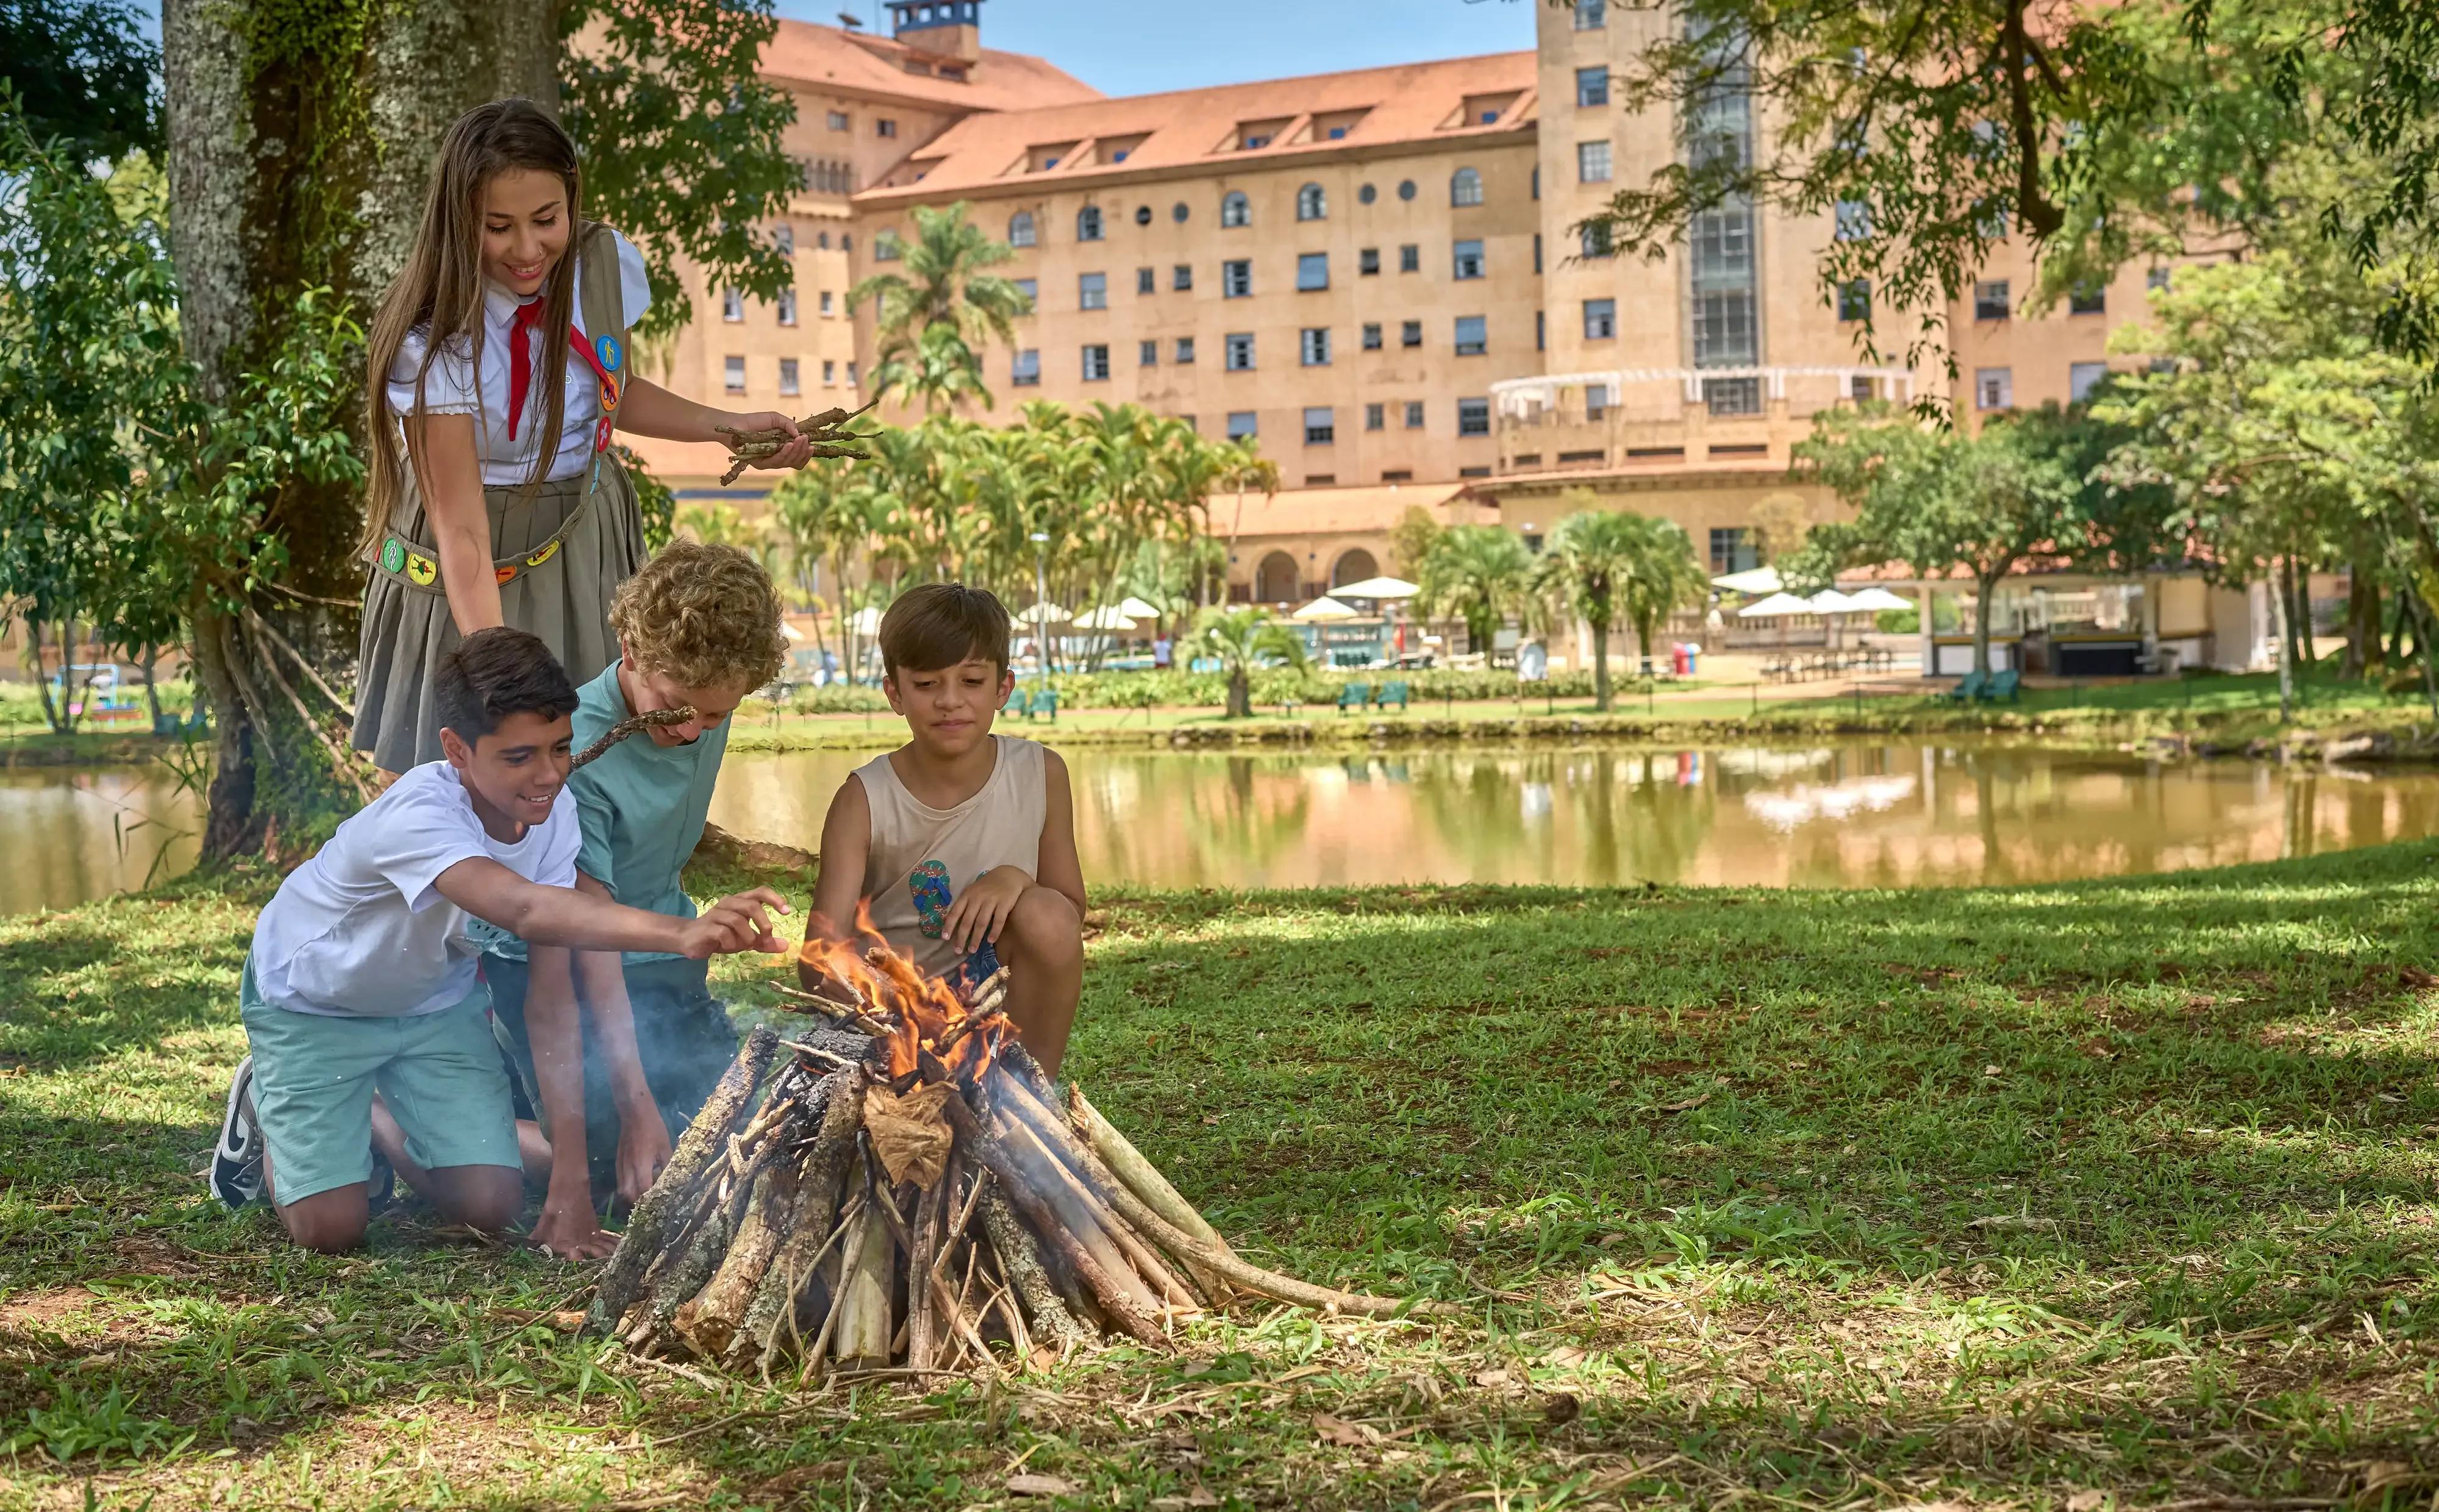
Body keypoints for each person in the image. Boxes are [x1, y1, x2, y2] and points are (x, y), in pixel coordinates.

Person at [210, 628, 789, 1255]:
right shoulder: (420, 815)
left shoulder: (554, 814)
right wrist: (684, 932)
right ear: (457, 749)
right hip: (315, 1001)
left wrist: (570, 1185)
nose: (548, 775)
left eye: (560, 748)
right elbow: (526, 908)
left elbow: (552, 1005)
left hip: (432, 1004)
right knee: (330, 1230)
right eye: (519, 757)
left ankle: (371, 1111)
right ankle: (264, 1102)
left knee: (490, 1205)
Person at [352, 98, 813, 776]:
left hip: (585, 534)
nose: (527, 249)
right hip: (476, 553)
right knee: (476, 762)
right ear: (459, 219)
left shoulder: (601, 266)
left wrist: (726, 428)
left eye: (547, 220)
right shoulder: (431, 339)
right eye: (498, 227)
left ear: (571, 197)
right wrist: (496, 666)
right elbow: (463, 529)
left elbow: (604, 389)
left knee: (595, 754)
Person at [479, 541, 787, 1259]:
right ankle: (449, 1117)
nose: (691, 731)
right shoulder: (577, 755)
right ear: (631, 652)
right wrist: (634, 1102)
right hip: (554, 966)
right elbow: (589, 936)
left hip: (660, 957)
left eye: (716, 716)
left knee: (736, 1141)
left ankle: (516, 1093)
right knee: (613, 1164)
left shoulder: (700, 696)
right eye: (675, 710)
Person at [807, 585, 1088, 1074]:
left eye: (972, 681)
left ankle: (1031, 1093)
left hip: (991, 990)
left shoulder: (1041, 773)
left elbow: (1069, 914)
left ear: (1003, 688)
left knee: (1045, 914)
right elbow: (819, 956)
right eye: (926, 684)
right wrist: (891, 996)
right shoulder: (863, 799)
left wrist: (1015, 880)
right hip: (892, 1005)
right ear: (895, 693)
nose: (950, 701)